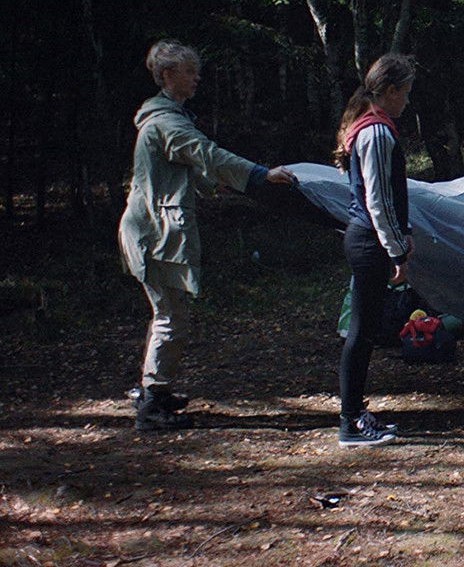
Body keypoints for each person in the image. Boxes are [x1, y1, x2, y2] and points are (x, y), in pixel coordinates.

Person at [119, 40, 295, 431]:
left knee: (167, 314)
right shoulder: (166, 122)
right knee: (170, 317)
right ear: (168, 75)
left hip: (151, 229)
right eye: (189, 71)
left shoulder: (169, 118)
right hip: (153, 233)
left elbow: (194, 166)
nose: (197, 78)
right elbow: (206, 153)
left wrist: (215, 184)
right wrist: (259, 175)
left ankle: (157, 390)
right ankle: (151, 406)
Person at [332, 53, 417, 447]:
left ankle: (355, 413)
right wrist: (396, 249)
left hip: (367, 238)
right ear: (393, 90)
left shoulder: (368, 124)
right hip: (369, 240)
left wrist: (404, 234)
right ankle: (349, 423)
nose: (408, 101)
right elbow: (378, 200)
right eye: (407, 91)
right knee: (362, 332)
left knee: (364, 331)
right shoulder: (378, 132)